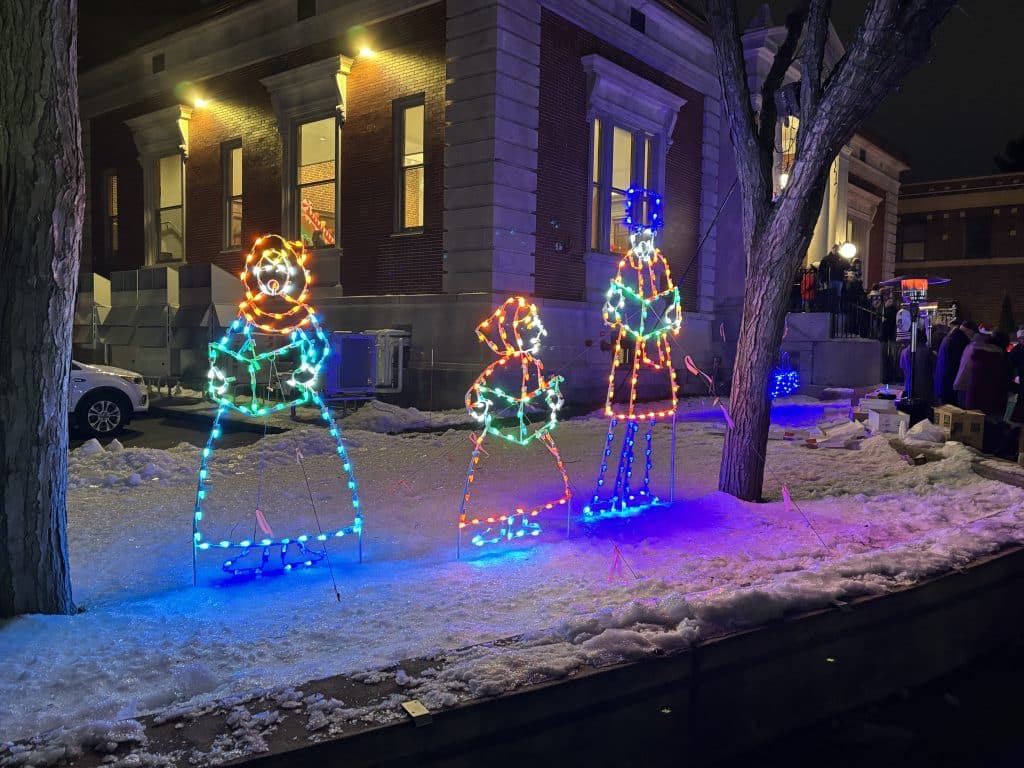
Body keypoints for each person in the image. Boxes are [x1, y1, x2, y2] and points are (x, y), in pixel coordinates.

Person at [954, 330, 1012, 418]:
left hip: (969, 395)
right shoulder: (998, 358)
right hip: (989, 402)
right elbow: (1003, 382)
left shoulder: (973, 349)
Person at [934, 319, 977, 406]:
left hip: (942, 382)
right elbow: (959, 365)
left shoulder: (950, 336)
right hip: (950, 384)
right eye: (972, 334)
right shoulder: (960, 340)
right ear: (969, 331)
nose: (971, 338)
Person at [900, 327, 934, 405]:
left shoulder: (904, 352)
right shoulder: (927, 352)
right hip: (924, 389)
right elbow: (932, 370)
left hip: (908, 387)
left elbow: (902, 369)